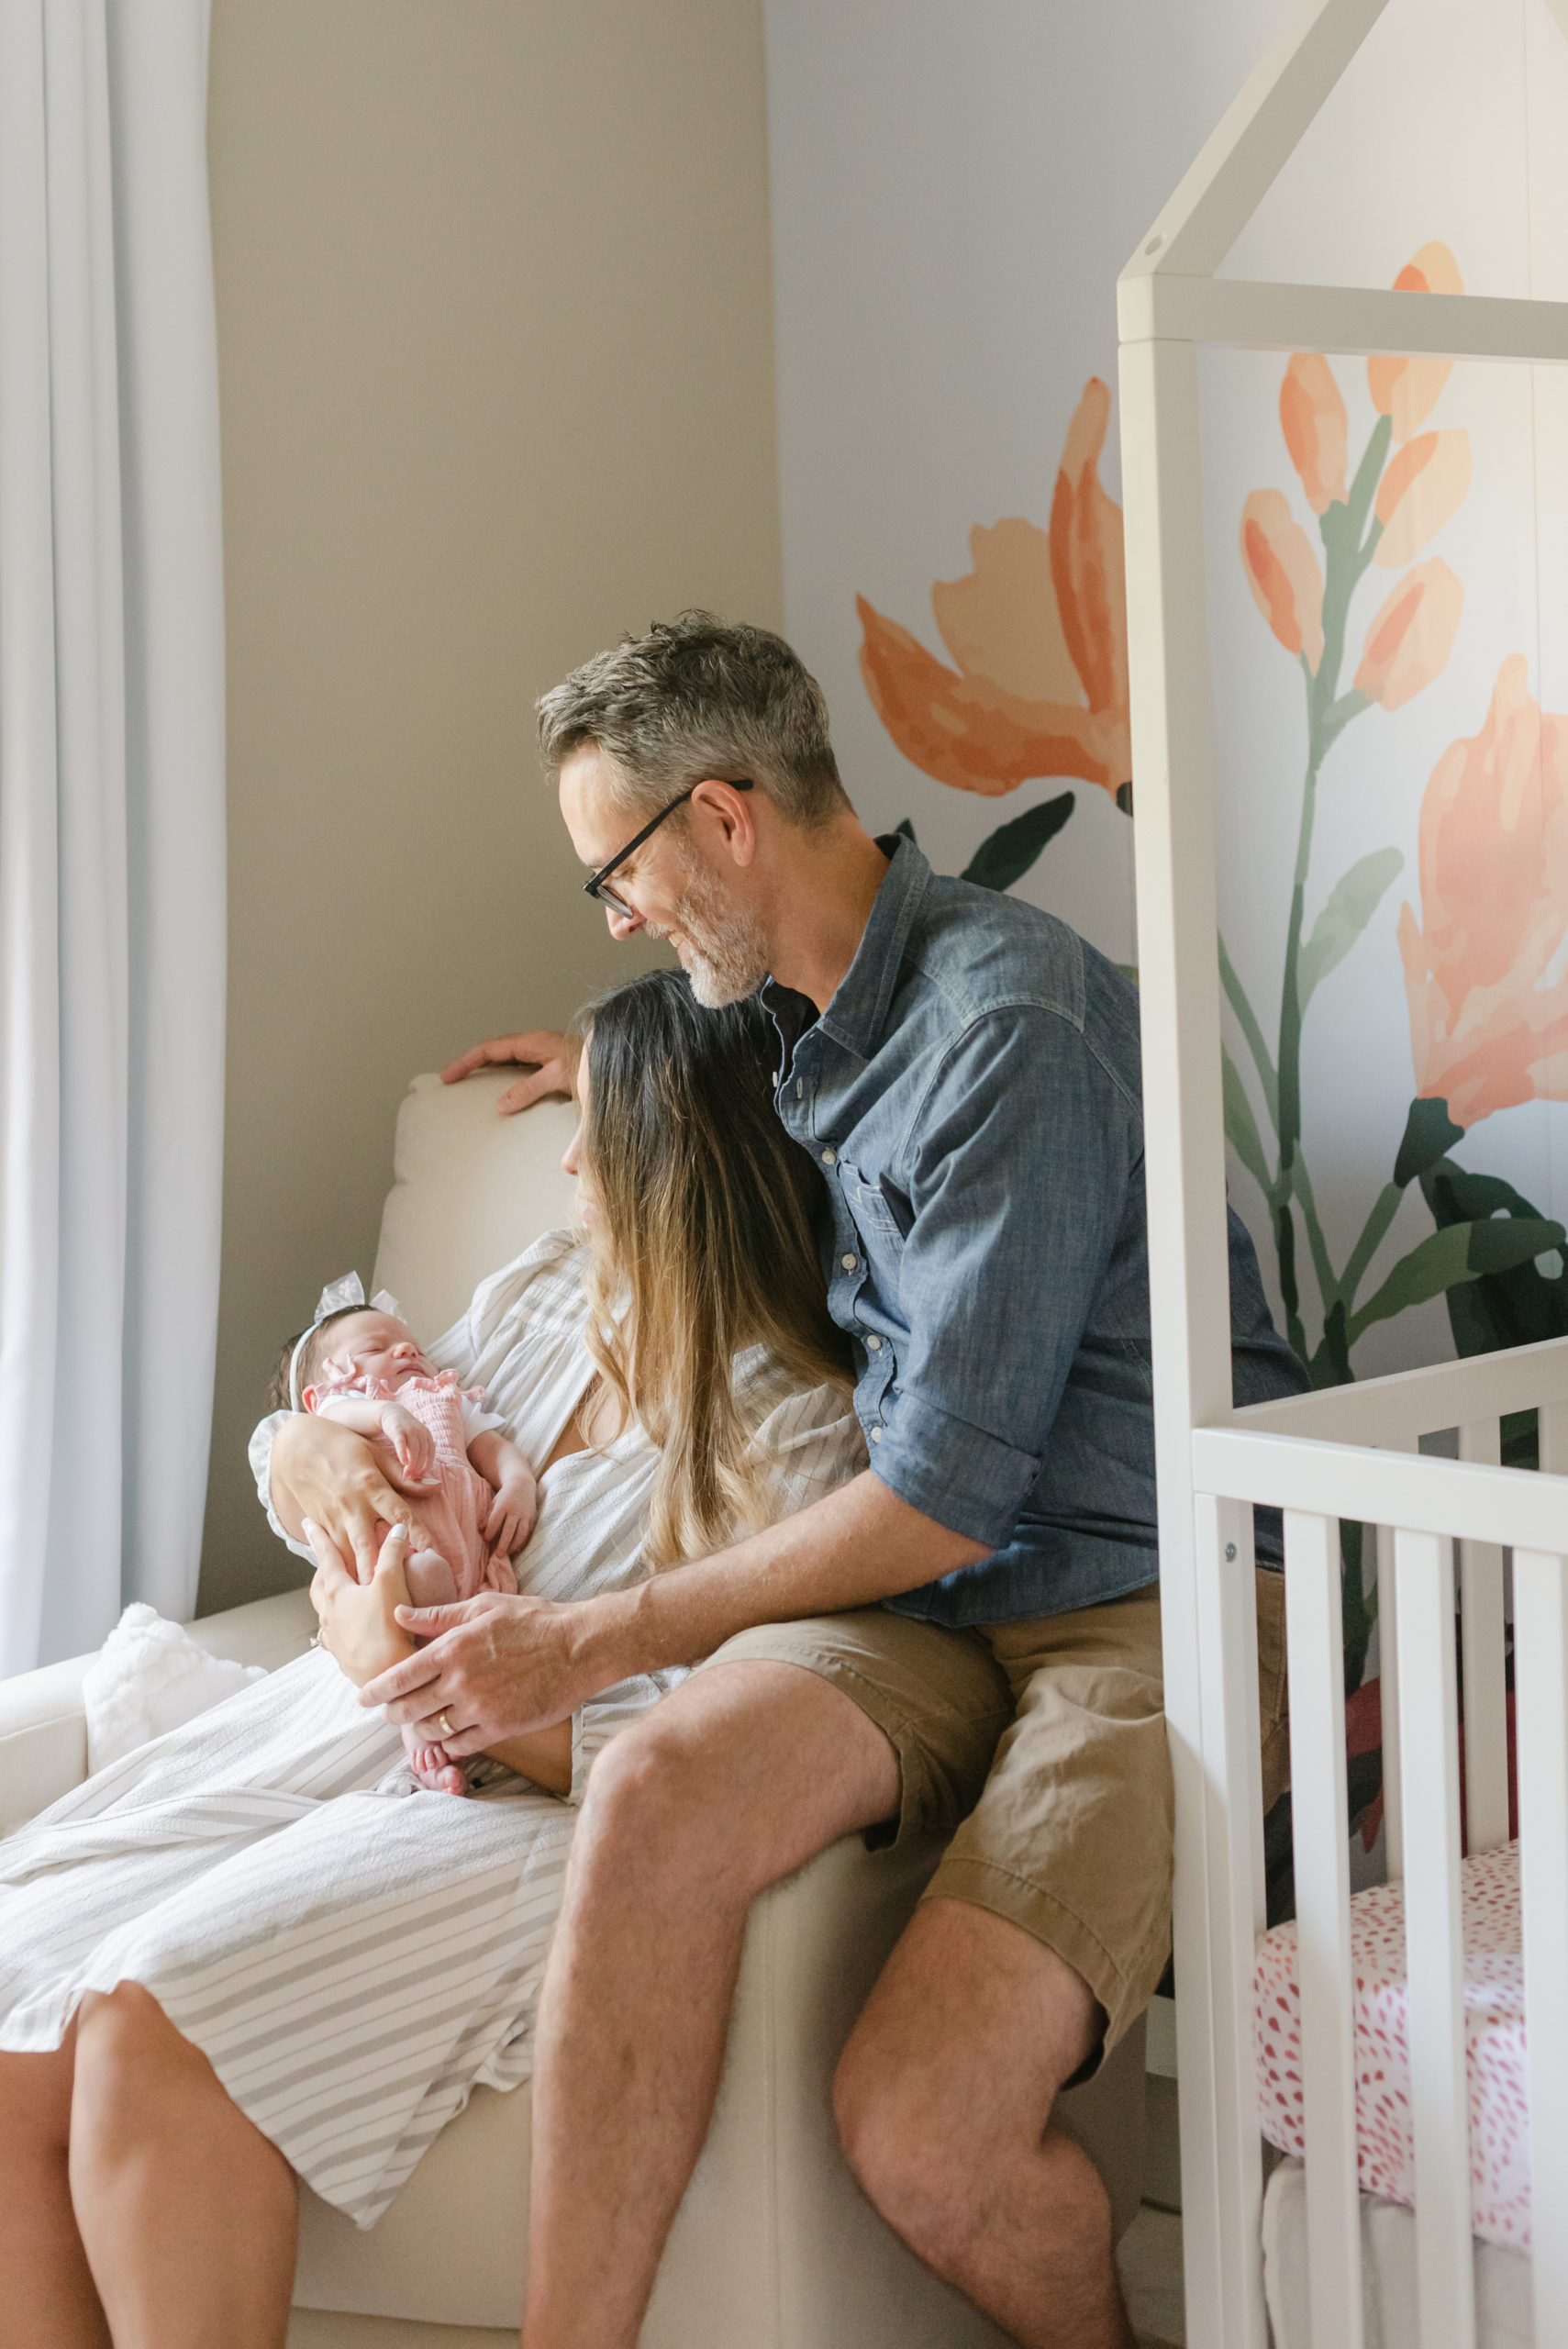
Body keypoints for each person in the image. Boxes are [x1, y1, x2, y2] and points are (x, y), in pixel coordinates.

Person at [398, 612, 1307, 2349]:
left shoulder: (1003, 1027)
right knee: (658, 1787)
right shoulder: (789, 999)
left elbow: (945, 1493)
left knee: (923, 2129)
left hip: (1145, 1592)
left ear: (725, 822)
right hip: (949, 1595)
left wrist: (585, 1635)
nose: (620, 918)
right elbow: (710, 1069)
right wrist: (603, 1056)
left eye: (619, 875)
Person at [0, 971, 862, 2349]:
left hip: (525, 1811)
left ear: (693, 1159)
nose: (569, 1158)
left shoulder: (800, 1425)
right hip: (328, 1728)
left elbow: (712, 1732)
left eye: (604, 1125)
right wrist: (304, 1446)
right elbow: (366, 1423)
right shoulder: (545, 1291)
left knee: (157, 2017)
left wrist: (428, 1674)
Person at [276, 1286, 539, 1788]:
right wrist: (386, 1415)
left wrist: (519, 1483)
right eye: (376, 1349)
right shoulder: (351, 1408)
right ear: (321, 1392)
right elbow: (328, 1421)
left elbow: (493, 1448)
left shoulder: (448, 1399)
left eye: (413, 1346)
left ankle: (461, 1742)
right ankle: (418, 1729)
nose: (406, 1352)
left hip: (471, 1552)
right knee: (427, 1581)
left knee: (490, 1630)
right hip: (405, 1555)